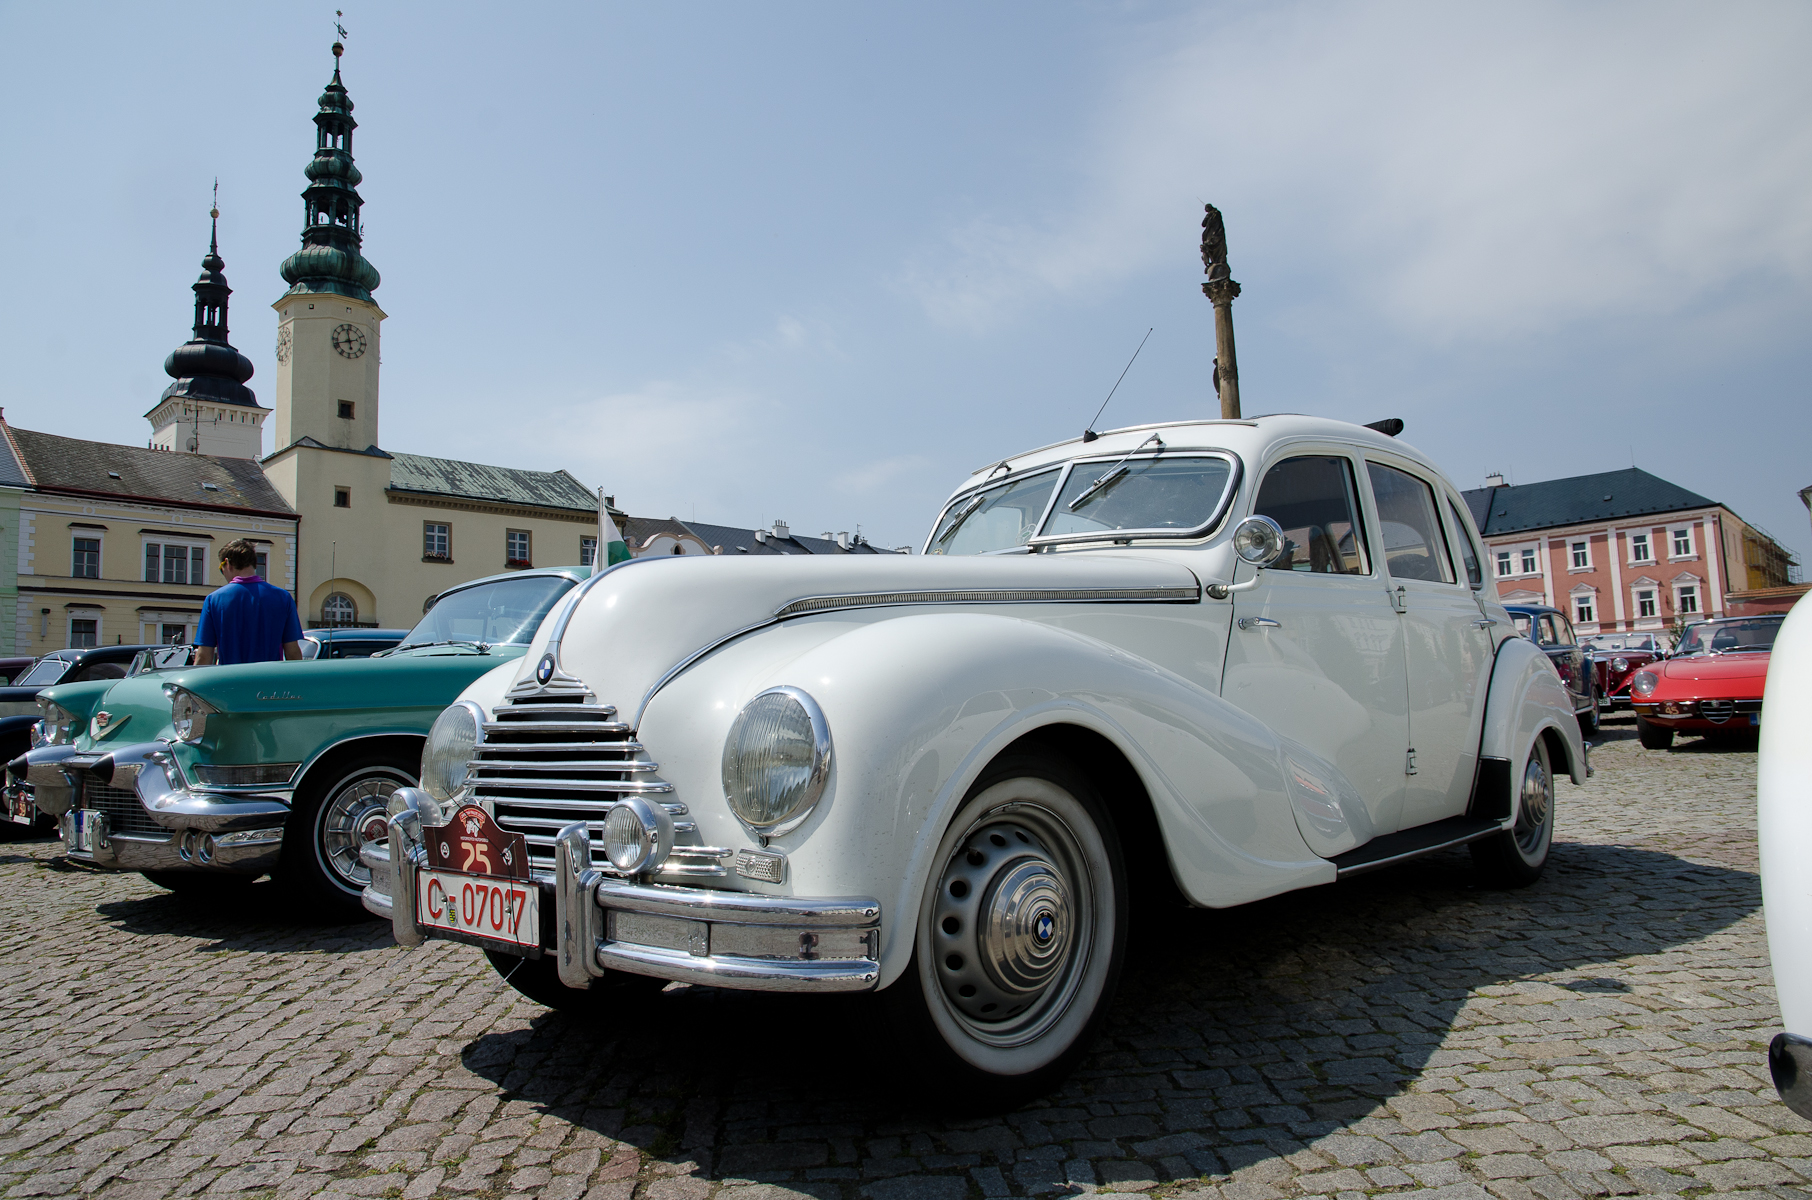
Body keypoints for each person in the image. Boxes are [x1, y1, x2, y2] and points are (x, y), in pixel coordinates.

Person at [195, 540, 304, 665]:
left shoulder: (214, 600)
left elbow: (204, 656)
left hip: (229, 676)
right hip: (269, 676)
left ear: (227, 563)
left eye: (221, 568)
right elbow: (292, 652)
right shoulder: (283, 598)